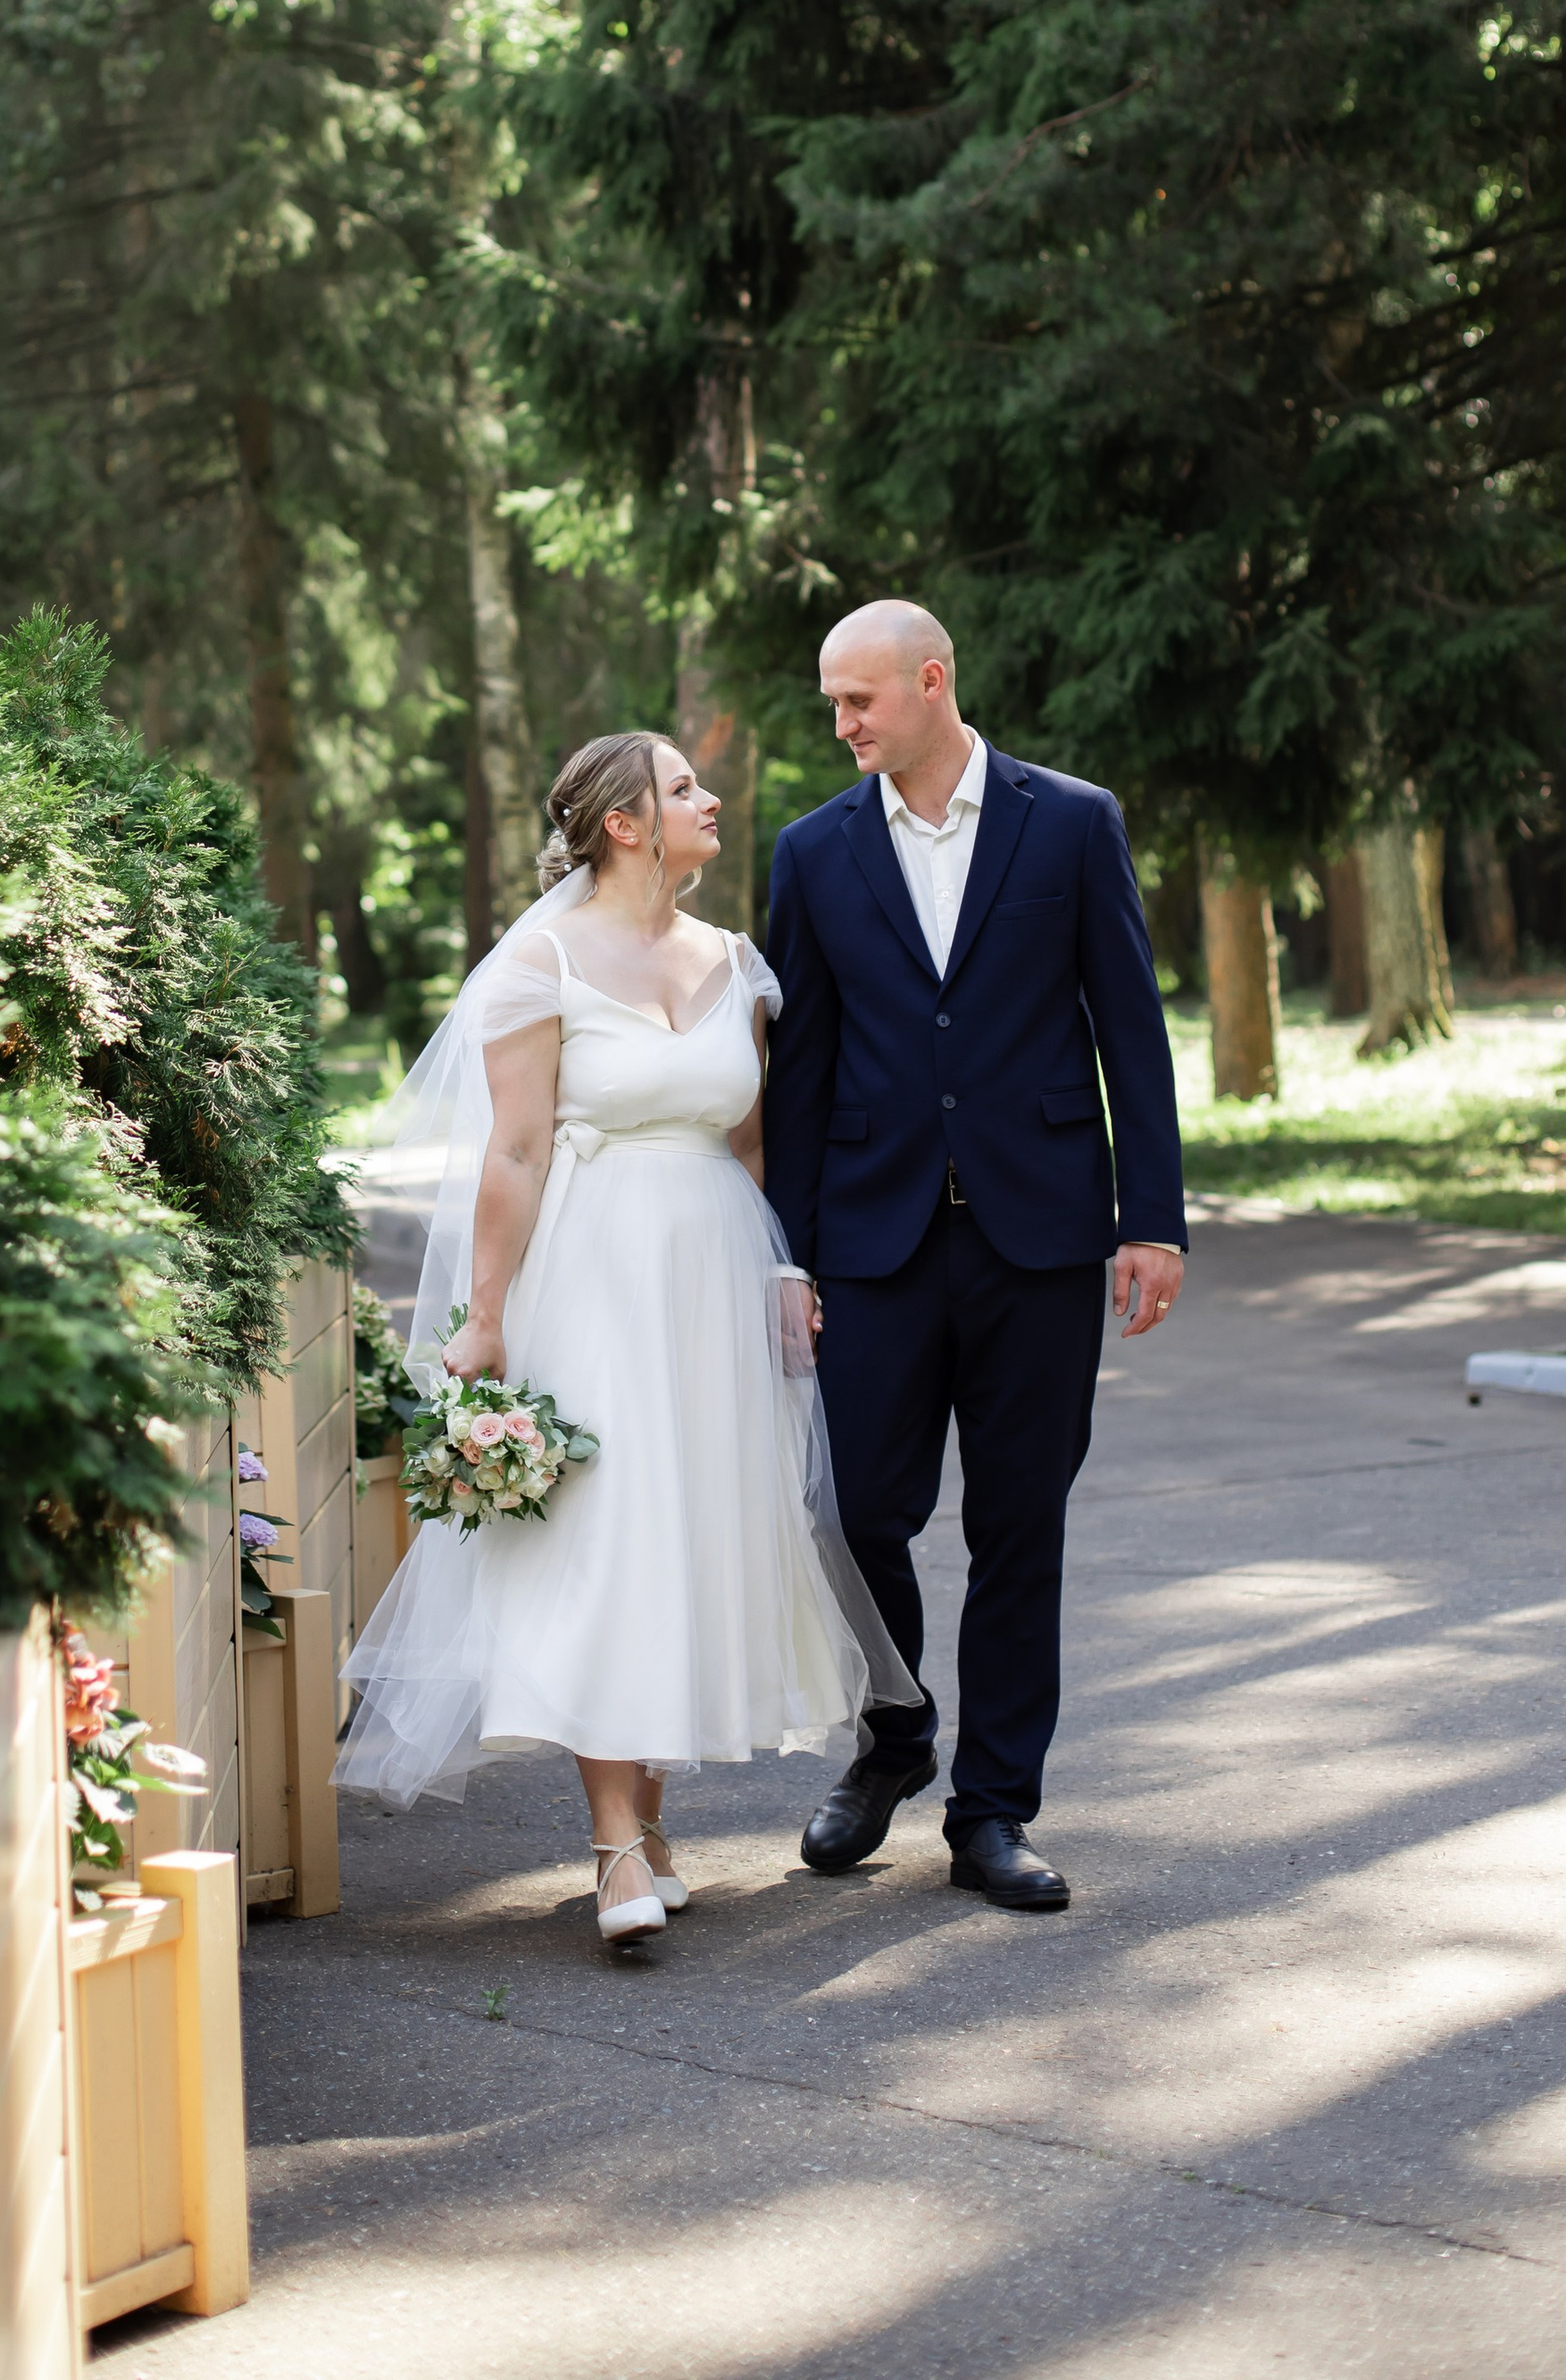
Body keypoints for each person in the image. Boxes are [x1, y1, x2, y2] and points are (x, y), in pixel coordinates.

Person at [335, 731, 912, 1949]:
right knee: (608, 1538)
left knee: (690, 1535)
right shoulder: (538, 962)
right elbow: (516, 1148)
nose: (711, 801)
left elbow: (753, 1144)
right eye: (684, 789)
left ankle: (651, 1823)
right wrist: (483, 1315)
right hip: (591, 1269)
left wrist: (784, 1269)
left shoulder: (737, 963)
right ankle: (608, 1844)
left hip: (714, 1265)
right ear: (625, 823)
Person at [764, 602, 1187, 1913]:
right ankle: (895, 1737)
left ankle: (994, 1809)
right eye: (833, 704)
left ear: (930, 681)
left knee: (1020, 1525)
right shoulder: (814, 851)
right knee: (849, 1513)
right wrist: (791, 1256)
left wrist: (1152, 1217)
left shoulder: (1071, 820)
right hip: (875, 1239)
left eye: (857, 702)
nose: (839, 726)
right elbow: (802, 1069)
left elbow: (1130, 1026)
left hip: (1043, 1237)